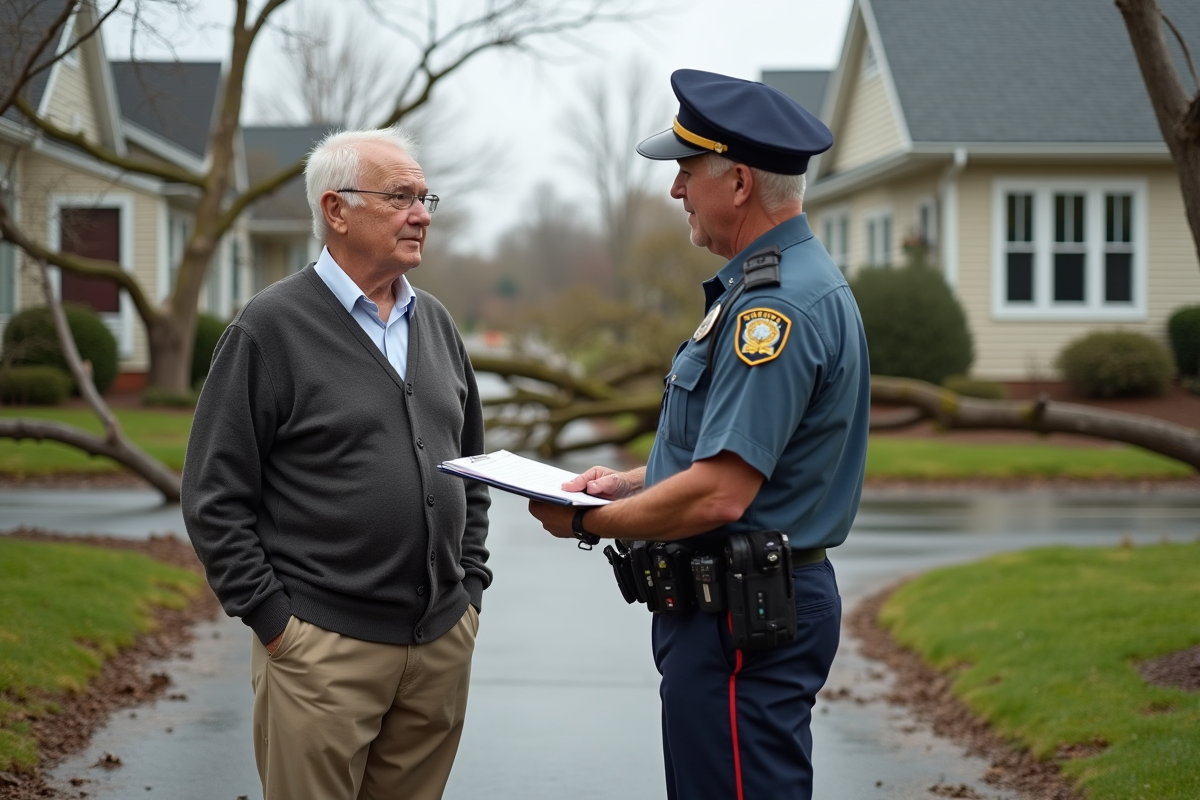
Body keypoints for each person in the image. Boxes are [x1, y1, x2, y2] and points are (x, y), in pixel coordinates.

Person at [528, 69, 869, 800]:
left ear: (739, 183)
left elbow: (719, 494)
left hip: (743, 618)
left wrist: (591, 520)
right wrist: (627, 483)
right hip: (730, 611)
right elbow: (730, 454)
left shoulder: (772, 314)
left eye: (686, 171)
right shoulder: (770, 288)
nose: (675, 190)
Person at [182, 126, 490, 800]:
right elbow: (214, 496)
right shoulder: (269, 328)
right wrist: (275, 623)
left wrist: (469, 590)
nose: (422, 214)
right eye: (401, 197)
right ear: (336, 210)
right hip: (320, 651)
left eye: (425, 196)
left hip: (438, 644)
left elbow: (472, 467)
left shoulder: (436, 324)